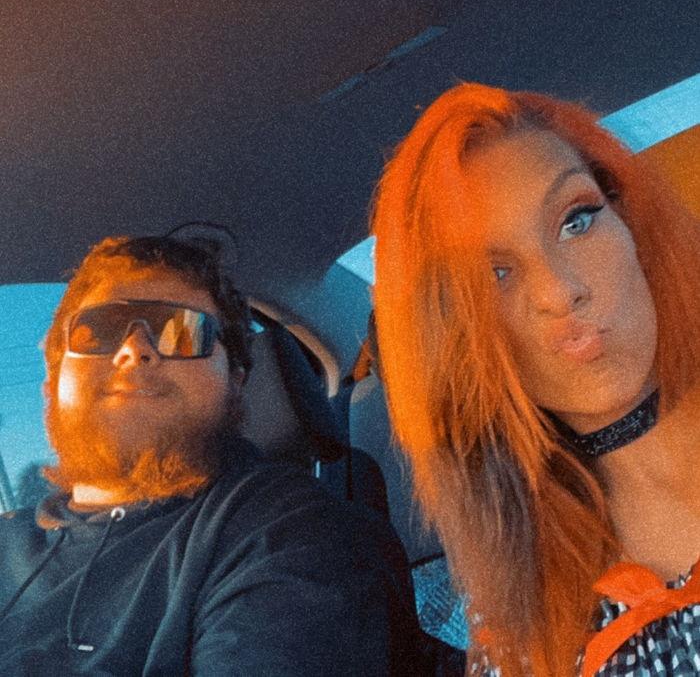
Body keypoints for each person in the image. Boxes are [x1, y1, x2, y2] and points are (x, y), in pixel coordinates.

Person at [370, 82, 700, 675]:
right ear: (454, 338)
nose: (558, 291)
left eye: (576, 221)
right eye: (492, 275)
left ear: (630, 219)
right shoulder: (519, 622)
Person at [0, 228, 423, 675]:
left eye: (181, 332)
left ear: (235, 380)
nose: (134, 350)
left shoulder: (290, 531)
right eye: (99, 330)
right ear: (53, 377)